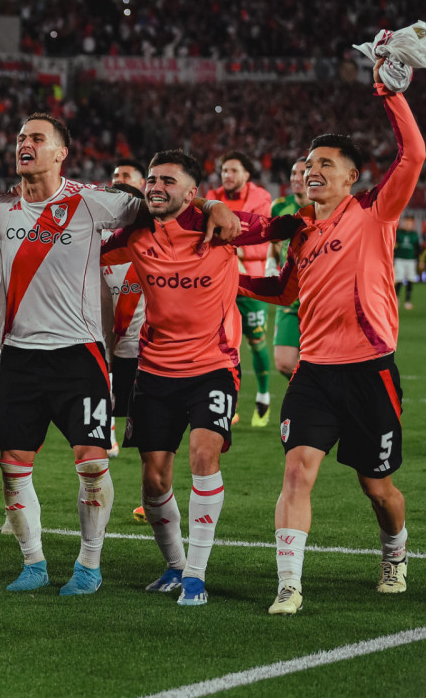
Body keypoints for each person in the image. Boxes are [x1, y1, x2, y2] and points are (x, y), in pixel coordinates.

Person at [0, 114, 238, 595]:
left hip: (78, 356)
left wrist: (211, 204)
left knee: (91, 463)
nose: (25, 144)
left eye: (37, 138)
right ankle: (34, 563)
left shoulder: (91, 202)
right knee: (13, 467)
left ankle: (89, 564)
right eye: (20, 137)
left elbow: (162, 202)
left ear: (61, 152)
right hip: (17, 357)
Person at [239, 61, 424, 615]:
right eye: (309, 163)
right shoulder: (301, 234)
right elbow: (285, 291)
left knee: (378, 488)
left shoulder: (374, 211)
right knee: (297, 471)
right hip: (314, 373)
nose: (313, 170)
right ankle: (289, 583)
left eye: (327, 164)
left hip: (371, 370)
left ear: (350, 178)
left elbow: (412, 155)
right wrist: (234, 280)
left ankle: (395, 550)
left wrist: (388, 92)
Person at [101, 151, 292, 606]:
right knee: (153, 479)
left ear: (191, 192)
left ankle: (196, 574)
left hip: (213, 367)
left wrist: (213, 207)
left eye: (167, 180)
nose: (155, 186)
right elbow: (70, 244)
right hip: (154, 370)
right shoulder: (135, 233)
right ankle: (174, 565)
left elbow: (289, 227)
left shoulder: (223, 225)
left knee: (204, 456)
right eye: (151, 179)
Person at [205, 152, 274, 426]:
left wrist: (229, 244)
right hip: (220, 283)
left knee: (256, 344)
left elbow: (261, 243)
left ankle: (264, 396)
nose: (227, 176)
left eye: (233, 171)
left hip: (250, 284)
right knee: (221, 345)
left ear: (247, 175)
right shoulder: (212, 195)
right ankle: (228, 404)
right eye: (224, 170)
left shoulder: (261, 199)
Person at [104, 159, 148, 460]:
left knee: (142, 409)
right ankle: (105, 434)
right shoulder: (96, 241)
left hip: (141, 343)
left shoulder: (152, 240)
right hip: (103, 338)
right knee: (102, 391)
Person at [269, 158, 311, 379]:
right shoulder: (279, 206)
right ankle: (308, 397)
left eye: (302, 173)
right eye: (294, 173)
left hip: (315, 294)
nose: (296, 177)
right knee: (285, 363)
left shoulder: (323, 208)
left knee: (318, 361)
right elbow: (274, 243)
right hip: (289, 294)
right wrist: (270, 265)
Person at [394, 215, 420, 310]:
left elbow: (417, 248)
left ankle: (408, 301)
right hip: (399, 259)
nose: (408, 224)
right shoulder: (398, 233)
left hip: (411, 260)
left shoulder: (414, 234)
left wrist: (419, 260)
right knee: (398, 279)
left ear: (412, 224)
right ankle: (396, 299)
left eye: (410, 223)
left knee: (410, 280)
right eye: (406, 222)